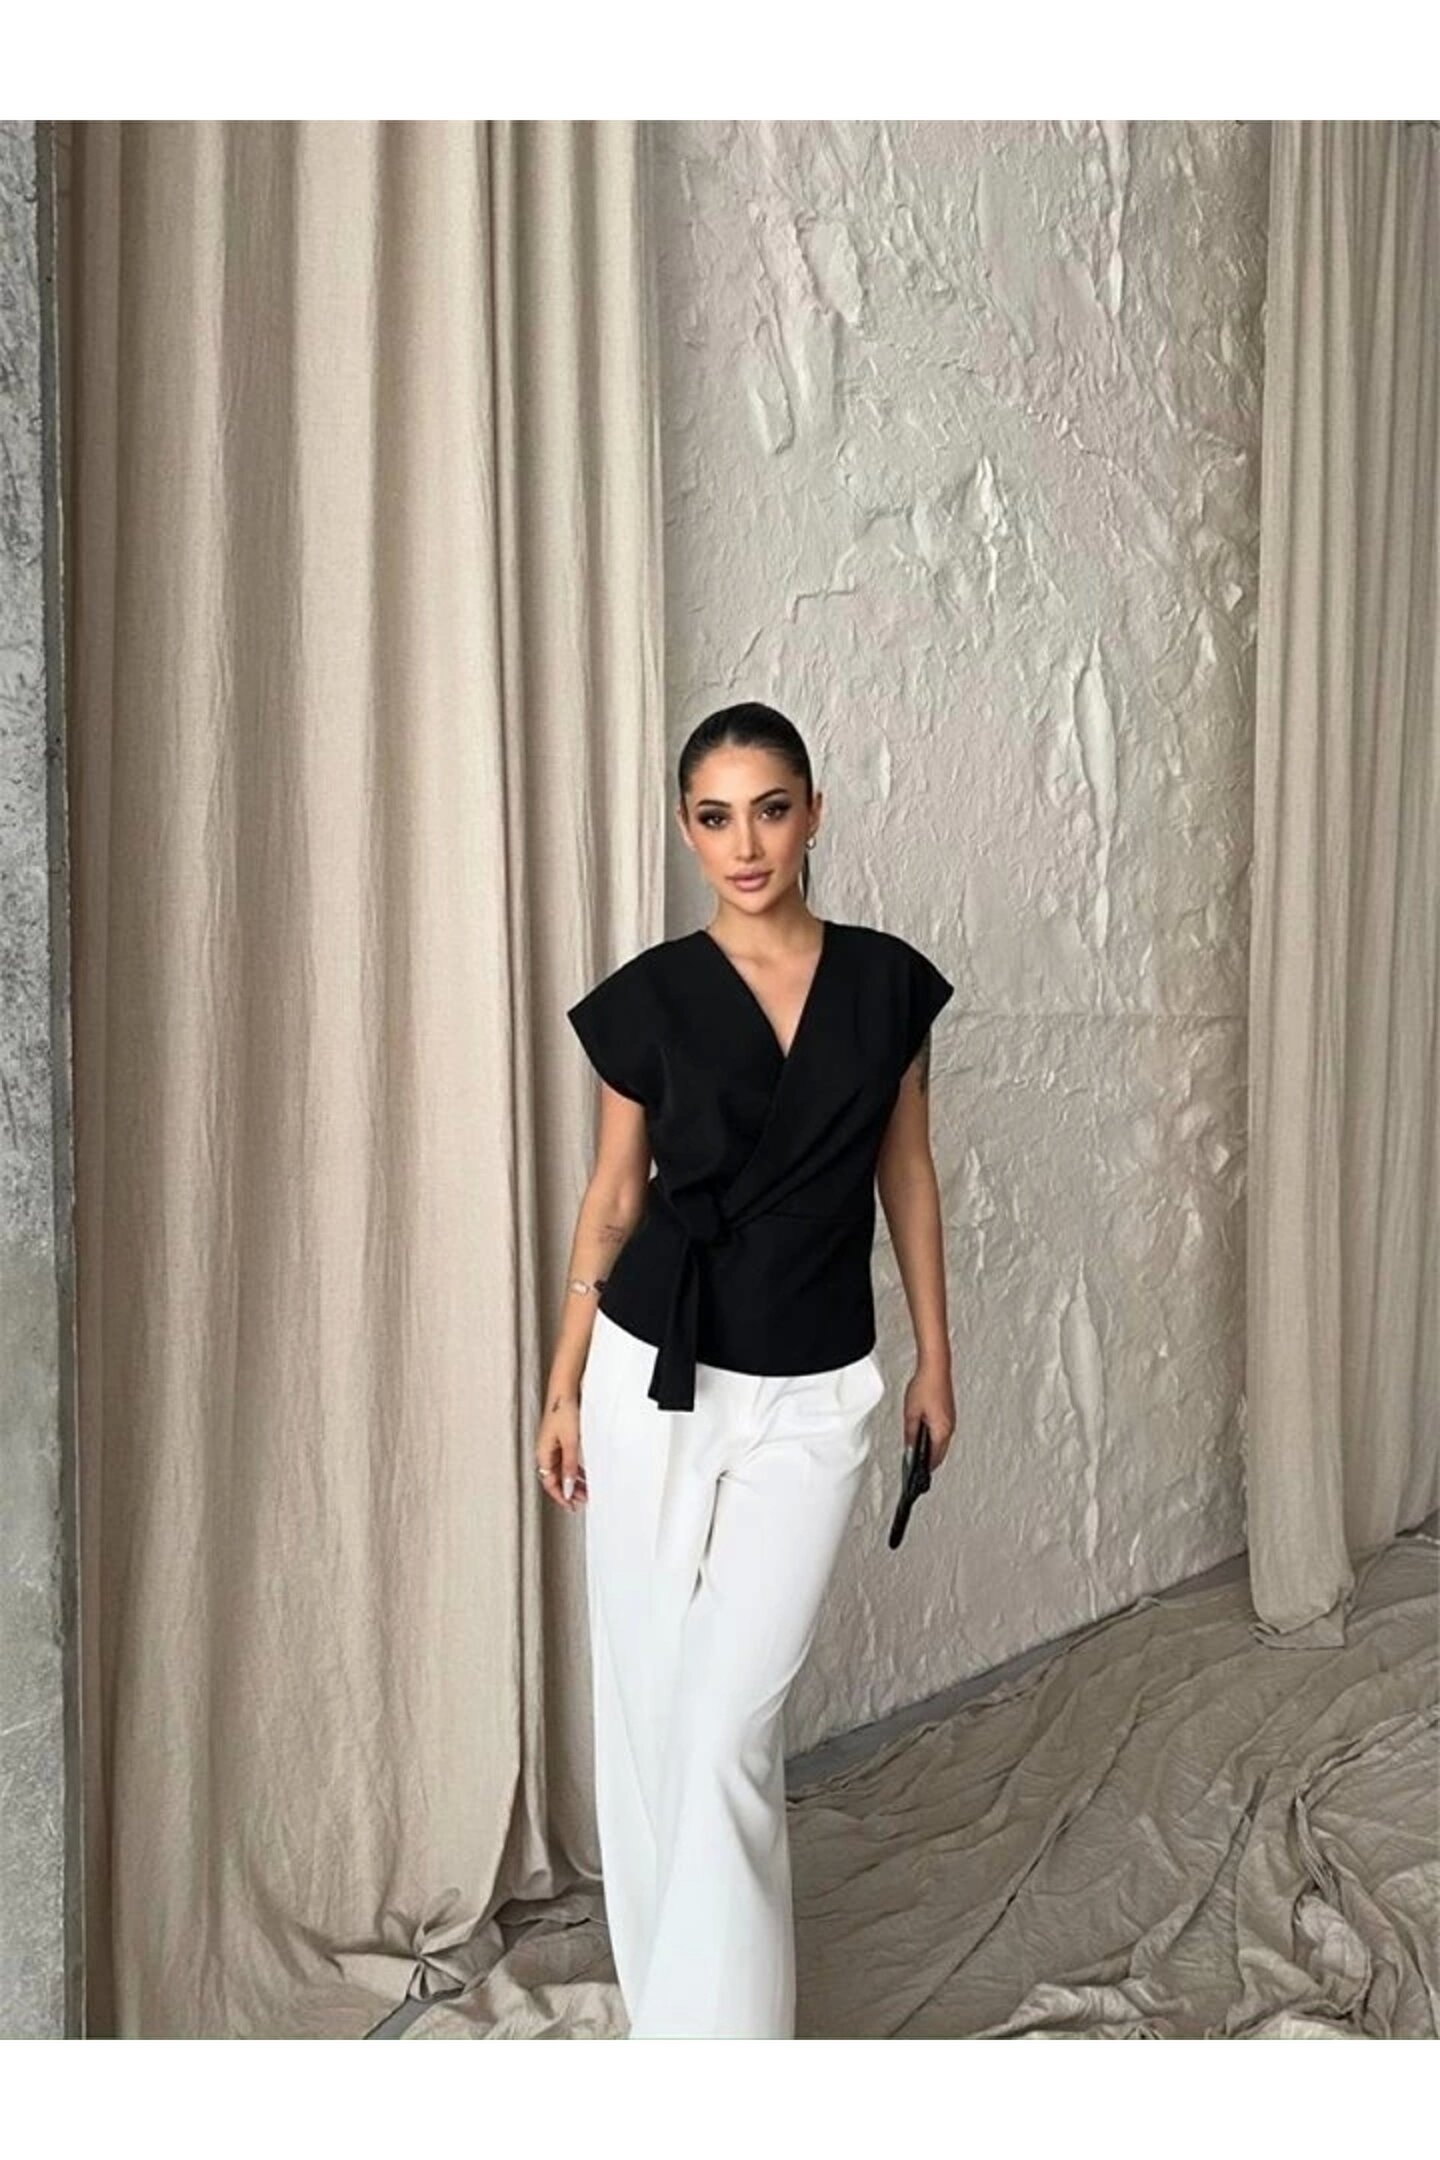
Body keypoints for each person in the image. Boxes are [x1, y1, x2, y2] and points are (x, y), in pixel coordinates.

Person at [535, 700, 956, 2039]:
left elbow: (906, 1173)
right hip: (651, 1367)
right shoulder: (652, 997)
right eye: (716, 818)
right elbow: (614, 1197)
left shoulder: (886, 986)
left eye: (771, 809)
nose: (747, 844)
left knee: (726, 1728)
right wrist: (563, 1382)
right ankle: (687, 2034)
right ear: (687, 830)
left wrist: (937, 1358)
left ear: (814, 811)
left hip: (816, 1390)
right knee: (655, 1706)